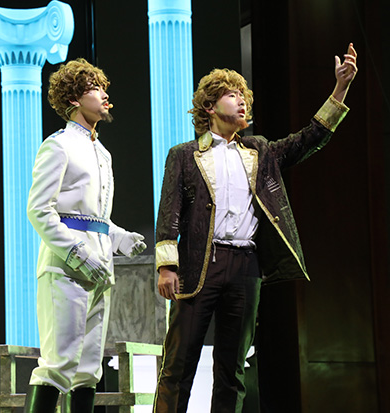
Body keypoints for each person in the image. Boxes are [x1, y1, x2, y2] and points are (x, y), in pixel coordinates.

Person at [152, 43, 358, 412]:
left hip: (245, 266)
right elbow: (170, 211)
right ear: (210, 107)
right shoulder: (184, 155)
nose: (242, 102)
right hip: (200, 264)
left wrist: (340, 88)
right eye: (232, 95)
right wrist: (167, 266)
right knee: (178, 364)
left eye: (244, 96)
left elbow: (308, 139)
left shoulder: (259, 150)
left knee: (232, 369)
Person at [25, 58, 147, 413]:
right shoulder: (59, 145)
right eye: (96, 88)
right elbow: (39, 210)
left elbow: (93, 217)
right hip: (66, 269)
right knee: (58, 363)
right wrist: (77, 253)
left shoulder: (102, 152)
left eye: (104, 87)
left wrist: (118, 237)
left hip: (100, 269)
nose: (105, 94)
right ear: (74, 99)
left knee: (88, 370)